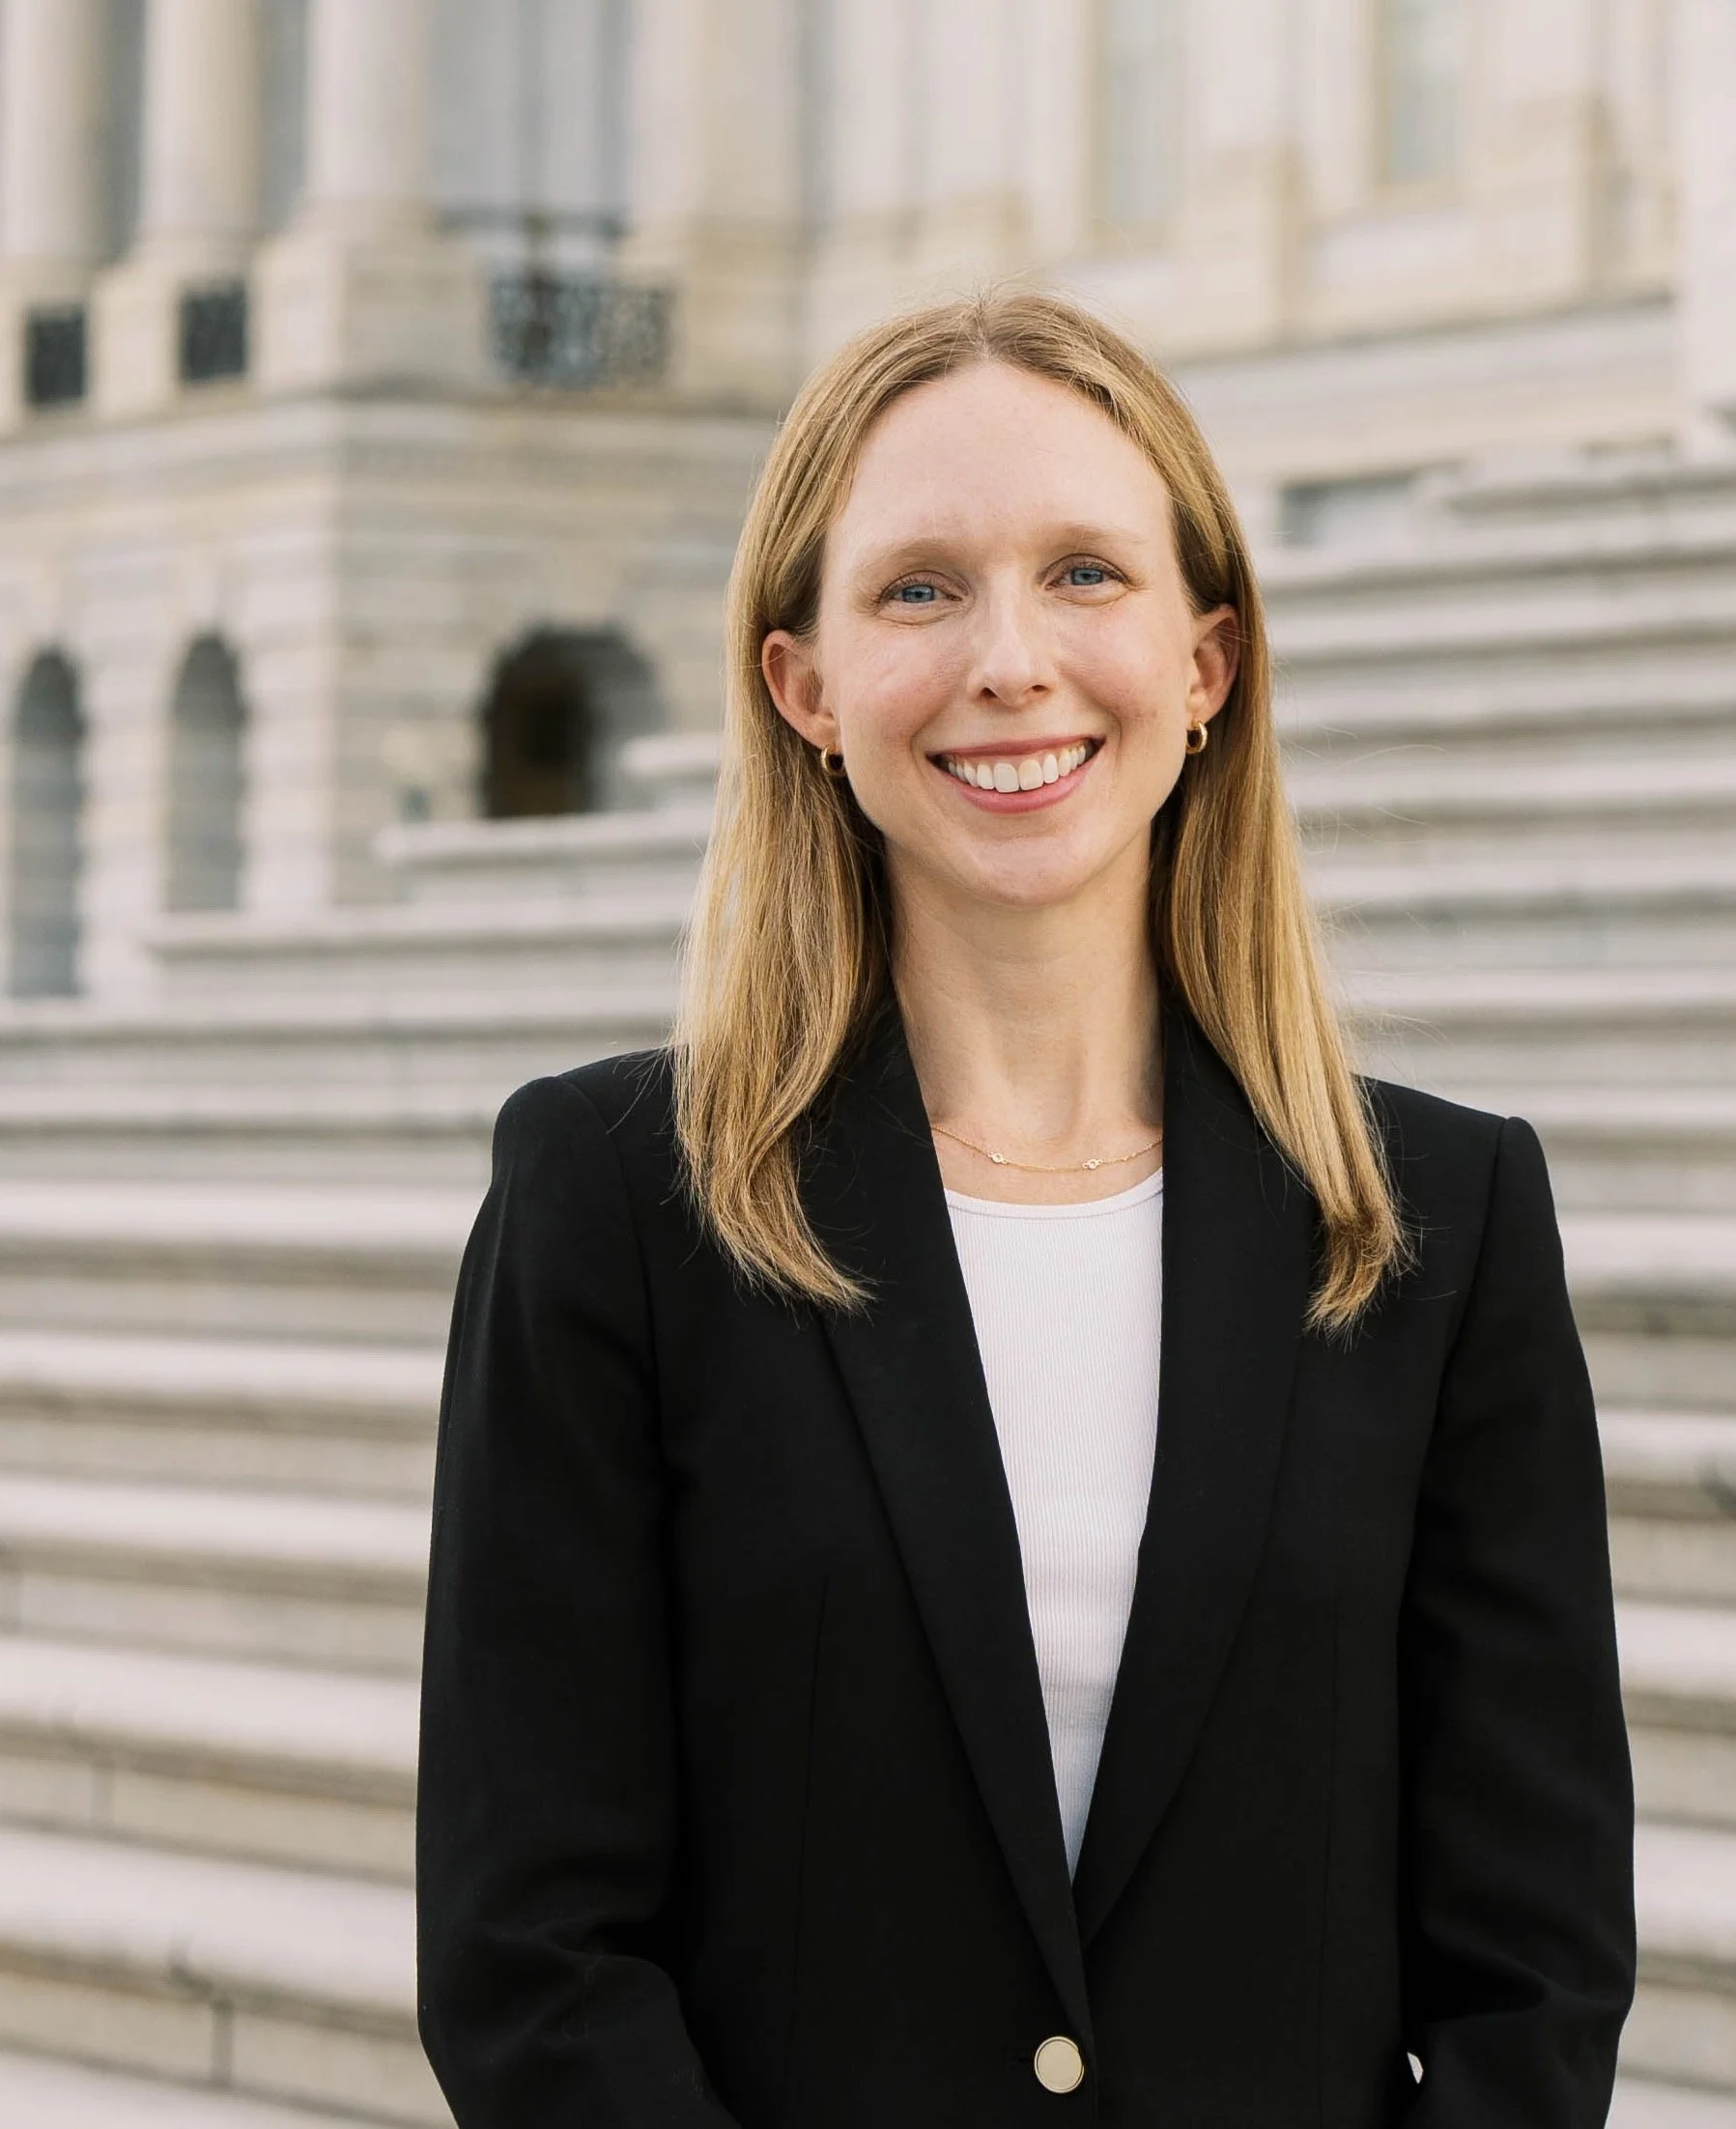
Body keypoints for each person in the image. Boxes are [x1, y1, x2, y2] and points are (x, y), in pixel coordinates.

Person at [415, 289, 1636, 2128]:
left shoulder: (1441, 1222)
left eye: (1085, 574)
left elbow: (1534, 1966)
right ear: (804, 687)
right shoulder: (613, 1202)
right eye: (920, 589)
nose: (1010, 661)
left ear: (1207, 664)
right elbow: (530, 1952)